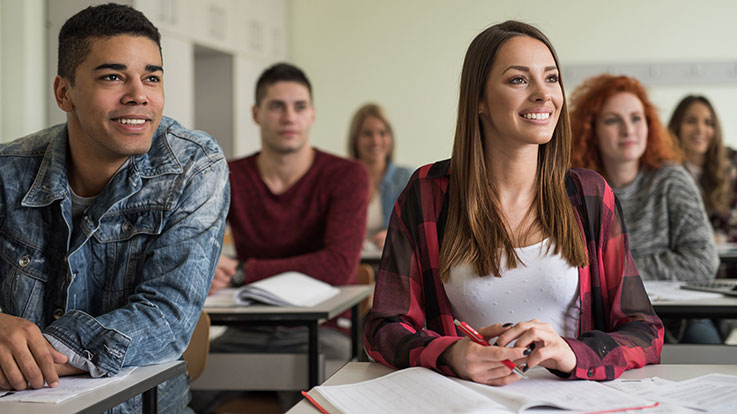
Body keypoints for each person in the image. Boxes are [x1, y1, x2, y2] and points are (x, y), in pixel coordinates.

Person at [363, 21, 663, 386]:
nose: (543, 94)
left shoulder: (590, 195)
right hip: (467, 402)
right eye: (519, 80)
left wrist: (573, 353)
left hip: (571, 402)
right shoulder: (427, 192)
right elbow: (383, 328)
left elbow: (645, 331)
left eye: (551, 78)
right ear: (479, 99)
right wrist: (450, 353)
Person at [0, 4, 229, 413]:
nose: (139, 94)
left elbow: (167, 318)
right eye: (113, 76)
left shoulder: (194, 166)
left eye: (152, 78)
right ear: (64, 92)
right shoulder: (7, 170)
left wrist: (30, 358)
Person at [195, 63, 369, 412]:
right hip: (247, 330)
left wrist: (243, 271)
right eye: (277, 106)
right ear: (256, 114)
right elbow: (197, 247)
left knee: (329, 404)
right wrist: (208, 268)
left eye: (299, 107)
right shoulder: (227, 174)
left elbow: (337, 266)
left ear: (312, 115)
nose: (289, 117)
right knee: (168, 390)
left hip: (323, 330)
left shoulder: (347, 175)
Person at [570, 75, 720, 344]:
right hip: (602, 322)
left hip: (676, 321)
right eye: (613, 120)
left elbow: (703, 261)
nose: (628, 130)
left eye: (636, 118)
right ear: (591, 131)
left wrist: (617, 272)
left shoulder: (671, 180)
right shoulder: (579, 190)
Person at [668, 95, 737, 244]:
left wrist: (716, 239)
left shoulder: (732, 164)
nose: (700, 129)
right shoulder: (664, 171)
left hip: (729, 262)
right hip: (682, 263)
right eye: (691, 121)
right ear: (677, 126)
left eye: (708, 122)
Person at [347, 103, 413, 251]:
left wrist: (395, 236)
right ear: (355, 139)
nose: (376, 141)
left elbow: (419, 232)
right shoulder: (342, 181)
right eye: (367, 134)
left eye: (383, 133)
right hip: (352, 261)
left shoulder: (407, 179)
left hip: (390, 263)